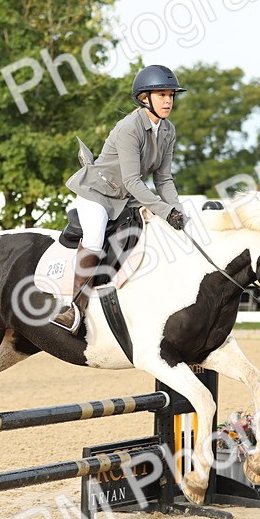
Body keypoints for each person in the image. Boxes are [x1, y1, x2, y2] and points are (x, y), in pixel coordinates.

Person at [51, 65, 188, 333]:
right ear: (143, 98)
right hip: (98, 194)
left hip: (127, 199)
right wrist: (163, 211)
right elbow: (132, 181)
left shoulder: (168, 131)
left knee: (156, 233)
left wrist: (177, 211)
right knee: (94, 237)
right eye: (161, 95)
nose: (168, 101)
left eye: (171, 95)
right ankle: (74, 308)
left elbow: (164, 180)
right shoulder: (129, 127)